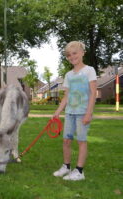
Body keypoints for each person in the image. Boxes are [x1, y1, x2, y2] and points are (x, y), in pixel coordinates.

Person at [52, 41, 97, 181]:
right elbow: (67, 96)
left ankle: (79, 171)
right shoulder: (68, 75)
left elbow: (93, 92)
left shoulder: (89, 71)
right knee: (66, 140)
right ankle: (66, 167)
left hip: (83, 113)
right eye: (68, 55)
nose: (72, 56)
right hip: (70, 113)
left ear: (83, 52)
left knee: (81, 141)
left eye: (74, 53)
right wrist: (58, 111)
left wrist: (89, 113)